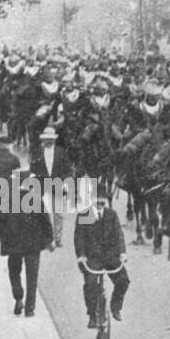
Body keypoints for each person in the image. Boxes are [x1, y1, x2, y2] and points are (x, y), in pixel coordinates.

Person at [0, 170, 54, 317]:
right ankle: (30, 308)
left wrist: (4, 236)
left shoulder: (7, 198)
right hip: (33, 245)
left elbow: (0, 221)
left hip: (14, 244)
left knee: (14, 272)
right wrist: (49, 240)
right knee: (32, 277)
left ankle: (18, 297)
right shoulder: (35, 199)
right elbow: (45, 221)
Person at [75, 184, 129, 326]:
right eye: (96, 200)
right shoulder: (84, 215)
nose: (99, 204)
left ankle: (115, 307)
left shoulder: (111, 215)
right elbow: (79, 238)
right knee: (91, 284)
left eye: (102, 201)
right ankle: (92, 315)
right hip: (93, 258)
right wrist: (81, 255)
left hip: (111, 257)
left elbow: (119, 234)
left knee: (123, 280)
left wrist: (123, 253)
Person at [30, 124, 73, 249]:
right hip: (41, 185)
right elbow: (33, 169)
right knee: (42, 212)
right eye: (46, 139)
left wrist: (65, 183)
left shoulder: (61, 152)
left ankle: (58, 238)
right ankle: (45, 238)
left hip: (58, 185)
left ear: (54, 140)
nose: (48, 141)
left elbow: (68, 170)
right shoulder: (37, 152)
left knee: (58, 213)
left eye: (50, 139)